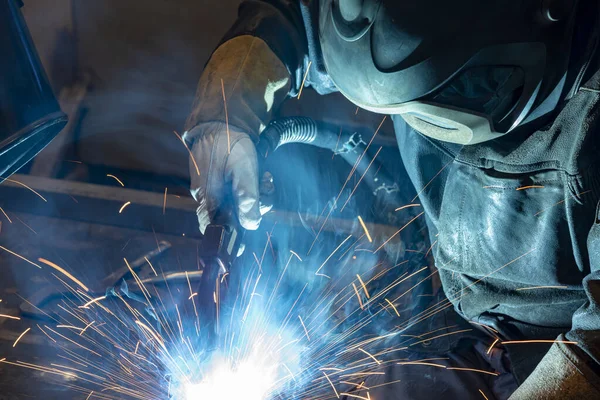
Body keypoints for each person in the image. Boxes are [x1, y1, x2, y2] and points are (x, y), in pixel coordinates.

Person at [183, 0, 600, 398]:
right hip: (484, 337)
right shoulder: (405, 19)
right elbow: (298, 23)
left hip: (571, 356)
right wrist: (227, 116)